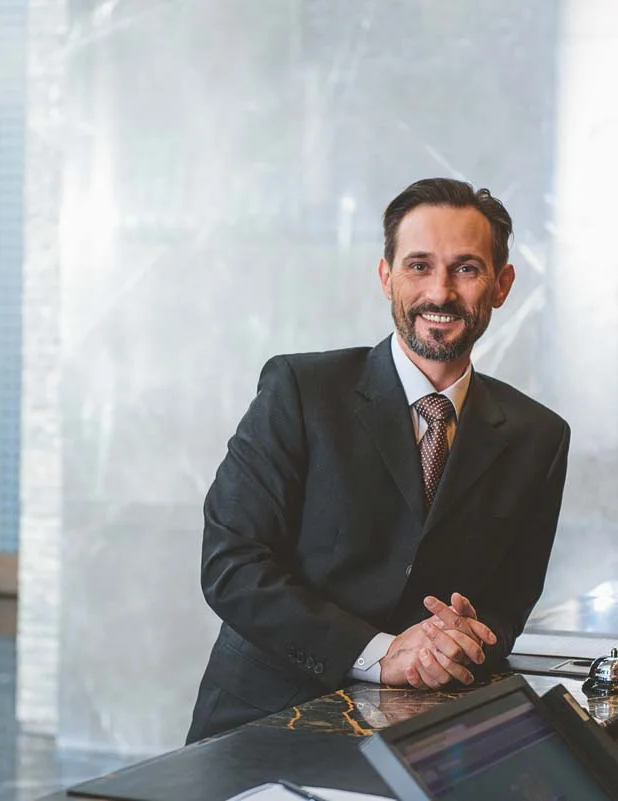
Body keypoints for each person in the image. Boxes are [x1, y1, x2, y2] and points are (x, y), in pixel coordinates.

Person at [186, 178, 571, 743]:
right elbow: (232, 566)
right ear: (386, 275)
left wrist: (463, 640)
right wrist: (379, 654)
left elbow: (509, 604)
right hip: (265, 721)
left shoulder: (540, 436)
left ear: (501, 284)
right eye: (419, 266)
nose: (440, 292)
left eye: (466, 268)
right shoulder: (300, 389)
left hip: (429, 733)